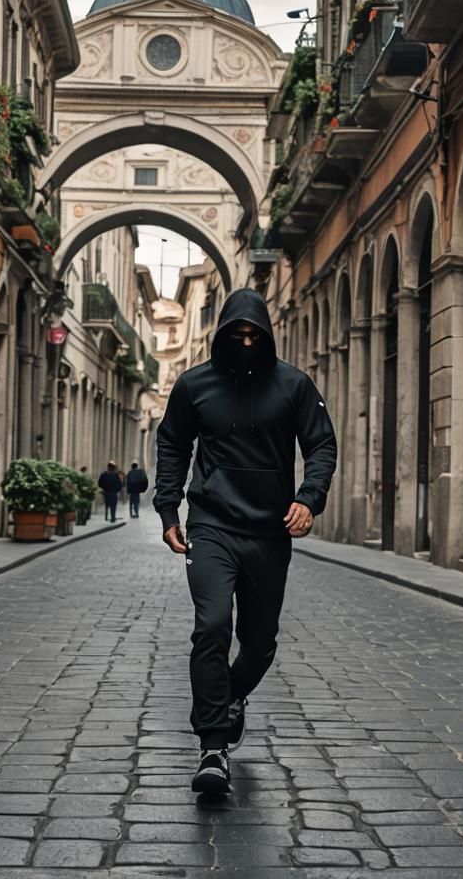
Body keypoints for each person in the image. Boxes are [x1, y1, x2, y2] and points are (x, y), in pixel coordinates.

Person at [154, 288, 336, 795]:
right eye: (239, 335)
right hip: (211, 526)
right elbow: (172, 444)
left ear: (268, 335)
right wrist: (168, 509)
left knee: (259, 643)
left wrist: (309, 499)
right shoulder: (193, 385)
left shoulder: (294, 385)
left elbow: (321, 444)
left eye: (256, 335)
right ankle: (213, 747)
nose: (248, 342)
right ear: (222, 334)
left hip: (270, 532)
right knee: (212, 626)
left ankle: (231, 697)